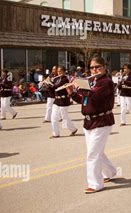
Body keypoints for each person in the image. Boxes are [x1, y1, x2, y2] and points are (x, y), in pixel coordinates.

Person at [67, 56, 117, 193]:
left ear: (104, 67)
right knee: (95, 152)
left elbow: (93, 96)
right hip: (89, 121)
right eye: (92, 67)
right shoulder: (93, 81)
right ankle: (111, 171)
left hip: (102, 121)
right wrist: (72, 93)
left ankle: (96, 184)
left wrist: (80, 86)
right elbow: (85, 100)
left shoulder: (106, 82)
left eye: (97, 67)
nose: (94, 70)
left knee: (92, 154)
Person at [50, 66, 78, 138]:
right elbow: (52, 90)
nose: (58, 73)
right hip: (56, 101)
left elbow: (57, 87)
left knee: (64, 117)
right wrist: (47, 84)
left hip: (63, 101)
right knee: (53, 117)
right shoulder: (56, 79)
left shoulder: (65, 79)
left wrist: (50, 84)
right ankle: (55, 134)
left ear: (64, 71)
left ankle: (73, 129)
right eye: (58, 71)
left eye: (60, 71)